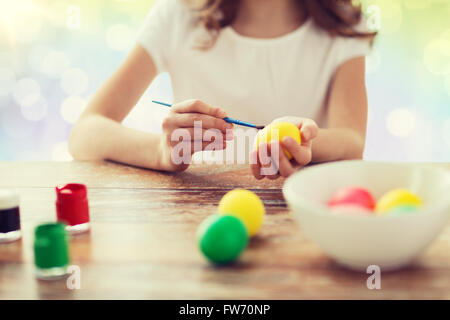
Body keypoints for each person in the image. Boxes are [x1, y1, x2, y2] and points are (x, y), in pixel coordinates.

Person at [68, 0, 375, 179]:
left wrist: (297, 141)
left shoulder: (344, 27)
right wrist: (161, 152)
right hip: (194, 219)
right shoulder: (179, 14)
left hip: (301, 220)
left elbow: (352, 141)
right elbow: (85, 133)